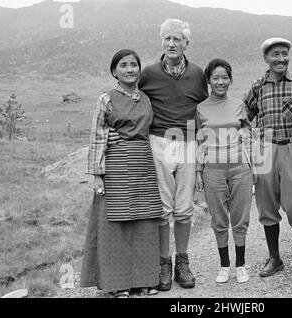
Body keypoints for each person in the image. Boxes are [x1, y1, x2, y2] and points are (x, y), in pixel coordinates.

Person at [108, 19, 209, 291]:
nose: (172, 44)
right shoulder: (148, 73)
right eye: (167, 39)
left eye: (177, 39)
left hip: (187, 143)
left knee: (184, 208)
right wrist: (112, 128)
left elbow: (204, 108)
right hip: (159, 141)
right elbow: (126, 96)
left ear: (187, 43)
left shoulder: (198, 73)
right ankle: (164, 262)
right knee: (162, 208)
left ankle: (182, 262)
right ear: (161, 42)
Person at [80, 49, 163, 297]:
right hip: (115, 166)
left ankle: (145, 280)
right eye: (124, 65)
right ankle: (117, 284)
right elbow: (96, 134)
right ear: (115, 71)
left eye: (134, 65)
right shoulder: (105, 99)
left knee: (145, 222)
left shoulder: (147, 99)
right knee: (115, 224)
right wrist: (96, 174)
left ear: (139, 69)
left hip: (143, 165)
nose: (130, 69)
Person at [244, 38, 292, 278]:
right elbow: (244, 116)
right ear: (266, 59)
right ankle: (275, 258)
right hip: (264, 150)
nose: (281, 58)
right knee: (266, 205)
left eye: (285, 53)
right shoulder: (257, 87)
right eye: (276, 54)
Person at [195, 59, 253, 284]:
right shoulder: (200, 108)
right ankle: (224, 265)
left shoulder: (238, 104)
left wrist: (251, 158)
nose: (220, 82)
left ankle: (240, 265)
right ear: (208, 80)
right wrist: (199, 171)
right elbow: (198, 139)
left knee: (241, 218)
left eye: (225, 77)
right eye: (215, 78)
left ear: (230, 79)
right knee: (219, 219)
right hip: (213, 170)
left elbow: (247, 130)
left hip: (240, 168)